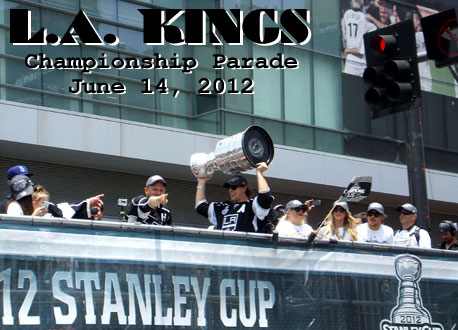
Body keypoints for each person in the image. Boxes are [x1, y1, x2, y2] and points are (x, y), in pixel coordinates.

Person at [195, 162, 272, 232]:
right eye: (229, 188)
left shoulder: (252, 205)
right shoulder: (224, 207)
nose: (230, 190)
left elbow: (265, 197)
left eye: (234, 187)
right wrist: (201, 182)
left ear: (244, 188)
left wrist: (259, 172)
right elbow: (200, 206)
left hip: (246, 246)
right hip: (224, 246)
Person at [341, 0, 376, 76]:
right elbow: (374, 28)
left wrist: (347, 49)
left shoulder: (346, 14)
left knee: (348, 85)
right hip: (360, 62)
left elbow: (344, 35)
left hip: (350, 59)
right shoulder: (363, 17)